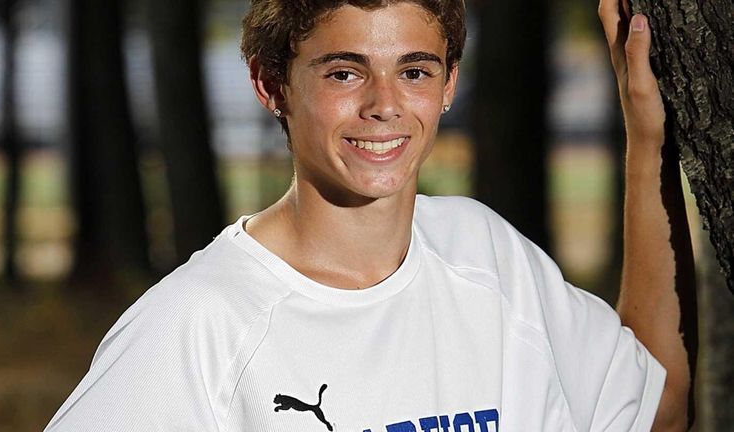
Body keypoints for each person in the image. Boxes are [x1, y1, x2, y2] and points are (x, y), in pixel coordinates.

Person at [45, 0, 693, 430]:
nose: (385, 105)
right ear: (270, 84)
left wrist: (649, 143)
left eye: (413, 70)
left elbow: (656, 407)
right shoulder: (200, 321)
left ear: (448, 86)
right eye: (344, 74)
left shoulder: (487, 254)